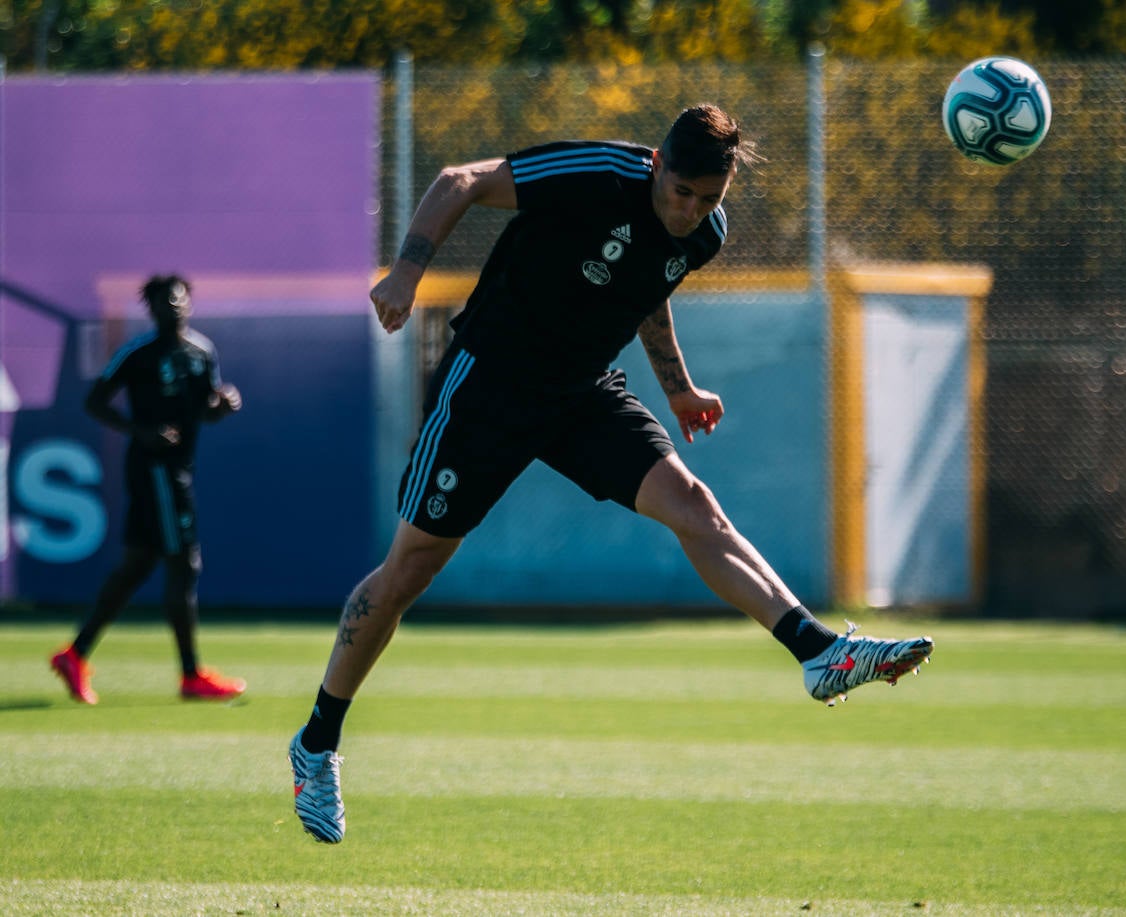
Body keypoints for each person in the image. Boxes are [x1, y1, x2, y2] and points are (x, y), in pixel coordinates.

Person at [288, 104, 933, 844]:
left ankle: (818, 650)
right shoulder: (597, 175)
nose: (691, 212)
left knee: (694, 504)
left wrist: (679, 387)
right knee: (409, 570)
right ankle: (317, 742)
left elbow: (645, 287)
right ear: (657, 164)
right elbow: (458, 179)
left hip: (582, 391)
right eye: (682, 193)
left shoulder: (703, 235)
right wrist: (406, 270)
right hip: (489, 383)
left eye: (708, 200)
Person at [49, 274, 247, 705]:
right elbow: (95, 401)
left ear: (189, 303)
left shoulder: (201, 352)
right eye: (162, 303)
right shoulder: (138, 354)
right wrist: (141, 431)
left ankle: (74, 654)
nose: (172, 308)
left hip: (179, 468)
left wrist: (223, 404)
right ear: (151, 310)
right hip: (154, 471)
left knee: (137, 567)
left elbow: (205, 412)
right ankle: (192, 675)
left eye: (178, 300)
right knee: (185, 563)